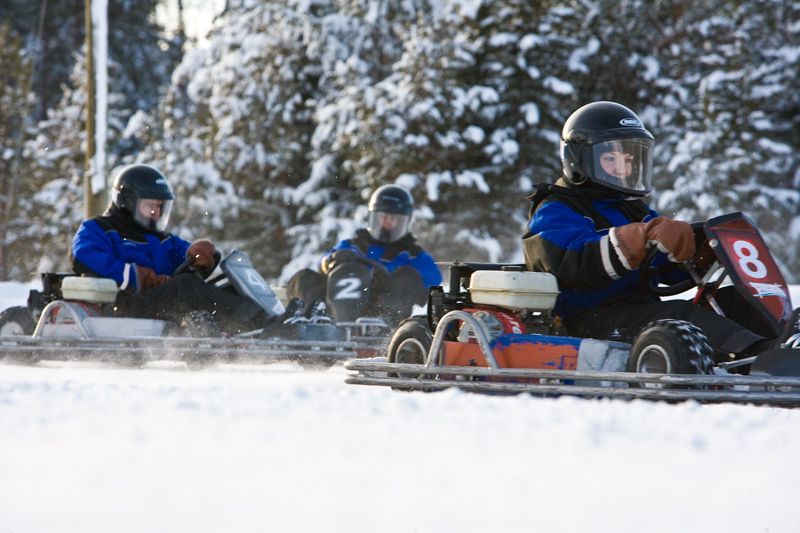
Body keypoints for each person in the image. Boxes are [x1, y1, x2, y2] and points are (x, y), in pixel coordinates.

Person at [522, 101, 798, 362]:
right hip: (586, 318)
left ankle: (785, 340)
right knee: (678, 314)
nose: (623, 168)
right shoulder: (556, 207)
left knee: (732, 300)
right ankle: (762, 356)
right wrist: (637, 239)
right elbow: (570, 262)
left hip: (637, 310)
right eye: (611, 158)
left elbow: (665, 267)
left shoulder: (630, 209)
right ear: (578, 158)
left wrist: (696, 249)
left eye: (629, 159)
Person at [71, 164, 273, 335]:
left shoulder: (161, 239)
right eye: (150, 206)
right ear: (127, 202)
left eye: (161, 207)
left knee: (227, 285)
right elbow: (84, 256)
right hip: (123, 305)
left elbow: (185, 253)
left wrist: (200, 254)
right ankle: (267, 325)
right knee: (184, 286)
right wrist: (134, 276)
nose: (156, 213)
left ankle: (268, 323)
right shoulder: (98, 229)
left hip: (161, 305)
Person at [287, 184, 442, 324]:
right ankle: (309, 323)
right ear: (373, 217)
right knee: (303, 277)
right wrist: (333, 260)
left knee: (408, 276)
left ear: (405, 221)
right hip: (335, 308)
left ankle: (383, 328)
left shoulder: (414, 255)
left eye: (393, 218)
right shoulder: (353, 245)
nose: (387, 223)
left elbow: (433, 279)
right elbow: (324, 262)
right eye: (383, 217)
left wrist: (383, 276)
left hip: (378, 312)